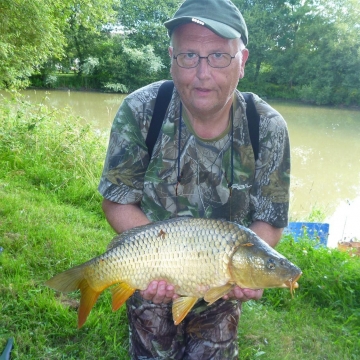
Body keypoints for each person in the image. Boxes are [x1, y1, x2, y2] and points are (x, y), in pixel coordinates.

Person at [98, 0, 290, 358]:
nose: (202, 73)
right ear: (171, 58)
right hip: (151, 273)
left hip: (224, 279)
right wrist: (155, 260)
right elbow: (117, 199)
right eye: (189, 55)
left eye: (218, 55)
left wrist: (249, 272)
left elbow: (271, 218)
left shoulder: (266, 127)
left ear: (243, 61)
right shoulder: (141, 110)